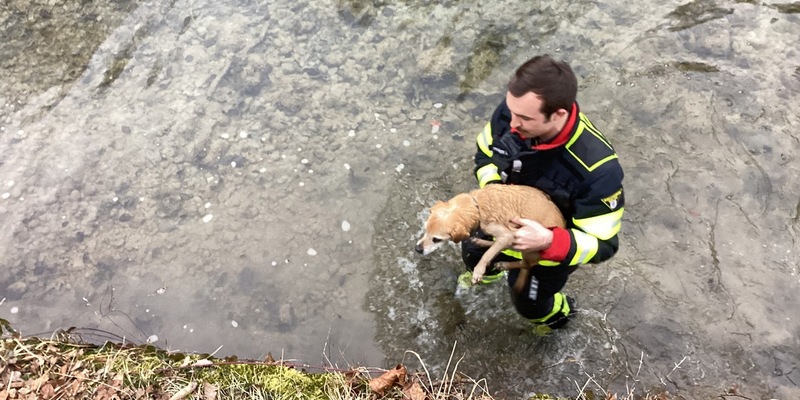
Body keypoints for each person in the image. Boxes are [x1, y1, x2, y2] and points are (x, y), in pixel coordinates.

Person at [461, 54, 625, 332]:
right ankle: (482, 279)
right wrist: (492, 192)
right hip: (499, 218)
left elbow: (604, 246)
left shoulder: (598, 170)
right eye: (510, 110)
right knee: (471, 252)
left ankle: (556, 321)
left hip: (549, 247)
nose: (511, 123)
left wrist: (549, 240)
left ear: (558, 114)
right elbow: (484, 155)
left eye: (524, 117)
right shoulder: (511, 113)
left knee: (528, 302)